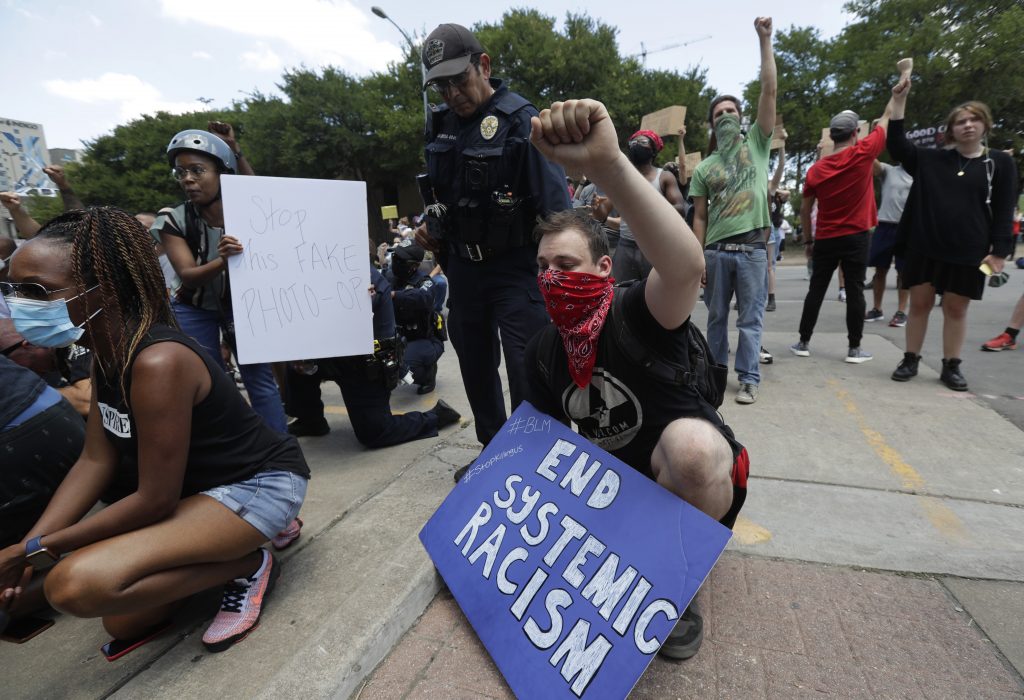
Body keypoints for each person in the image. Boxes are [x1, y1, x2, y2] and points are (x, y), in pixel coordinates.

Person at [0, 207, 309, 653]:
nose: (19, 305)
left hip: (256, 485)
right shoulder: (107, 353)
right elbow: (95, 460)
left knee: (72, 586)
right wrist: (28, 550)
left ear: (102, 288)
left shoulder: (157, 360)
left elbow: (154, 500)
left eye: (36, 291)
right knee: (122, 621)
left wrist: (35, 551)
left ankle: (247, 564)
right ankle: (223, 543)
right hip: (198, 493)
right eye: (12, 289)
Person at [524, 97, 748, 662]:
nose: (552, 279)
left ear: (604, 269)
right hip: (609, 497)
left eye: (566, 266)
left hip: (674, 484)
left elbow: (686, 268)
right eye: (543, 268)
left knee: (693, 450)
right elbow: (540, 455)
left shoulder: (638, 313)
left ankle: (673, 577)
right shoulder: (543, 352)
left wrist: (607, 167)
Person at [415, 23, 570, 449]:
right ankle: (495, 458)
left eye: (458, 80)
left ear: (483, 66)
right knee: (475, 366)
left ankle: (536, 459)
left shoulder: (522, 120)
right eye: (441, 86)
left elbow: (557, 210)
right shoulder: (441, 125)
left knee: (528, 369)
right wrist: (429, 224)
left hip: (516, 267)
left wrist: (562, 277)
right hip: (463, 269)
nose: (452, 94)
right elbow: (443, 196)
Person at [152, 126, 288, 432]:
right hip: (193, 307)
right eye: (181, 172)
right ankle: (232, 445)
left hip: (241, 304)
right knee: (211, 380)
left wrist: (234, 149)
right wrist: (222, 260)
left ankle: (279, 447)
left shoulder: (249, 211)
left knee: (259, 379)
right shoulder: (173, 219)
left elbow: (260, 193)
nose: (188, 179)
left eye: (197, 170)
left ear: (223, 173)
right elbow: (188, 276)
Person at [886, 81, 1018, 389]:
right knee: (919, 304)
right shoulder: (932, 159)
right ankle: (910, 358)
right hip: (925, 245)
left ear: (985, 125)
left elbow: (1004, 208)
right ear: (951, 130)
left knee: (956, 308)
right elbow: (897, 145)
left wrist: (1000, 252)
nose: (968, 125)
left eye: (974, 119)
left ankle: (951, 365)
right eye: (960, 121)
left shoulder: (999, 163)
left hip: (970, 249)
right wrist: (899, 101)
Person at [689, 17, 777, 405]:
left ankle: (749, 379)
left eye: (730, 111)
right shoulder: (705, 168)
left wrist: (765, 40)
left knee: (751, 320)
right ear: (712, 125)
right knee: (716, 320)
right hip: (717, 254)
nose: (725, 115)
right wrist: (698, 259)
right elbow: (700, 217)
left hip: (753, 251)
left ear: (741, 118)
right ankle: (714, 379)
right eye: (718, 114)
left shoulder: (757, 143)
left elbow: (769, 90)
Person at [285, 267, 461, 444]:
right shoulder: (302, 274)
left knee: (375, 432)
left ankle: (435, 417)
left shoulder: (363, 275)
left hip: (363, 362)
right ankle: (310, 421)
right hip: (329, 353)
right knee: (295, 369)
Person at [790, 101, 896, 365]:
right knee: (855, 290)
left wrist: (808, 240)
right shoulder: (863, 152)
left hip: (826, 237)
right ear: (854, 133)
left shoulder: (816, 170)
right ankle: (854, 348)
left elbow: (805, 209)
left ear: (832, 136)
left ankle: (803, 342)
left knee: (816, 289)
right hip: (857, 236)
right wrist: (897, 93)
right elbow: (886, 117)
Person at [609, 129, 688, 282]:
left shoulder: (664, 177)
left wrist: (651, 209)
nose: (636, 145)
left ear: (653, 150)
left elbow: (680, 208)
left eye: (642, 142)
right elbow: (607, 211)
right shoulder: (622, 177)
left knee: (654, 292)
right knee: (622, 292)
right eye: (634, 142)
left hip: (654, 246)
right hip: (625, 246)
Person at [386, 240, 445, 394]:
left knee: (403, 366)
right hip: (396, 337)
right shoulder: (390, 276)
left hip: (424, 339)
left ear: (414, 265)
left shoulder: (425, 282)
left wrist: (395, 295)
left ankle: (428, 374)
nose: (396, 262)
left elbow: (423, 296)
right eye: (395, 257)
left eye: (401, 260)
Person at [865, 160, 913, 327]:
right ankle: (877, 309)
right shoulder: (888, 170)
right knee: (880, 271)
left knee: (903, 272)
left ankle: (901, 312)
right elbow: (871, 160)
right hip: (885, 225)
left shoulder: (920, 173)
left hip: (907, 227)